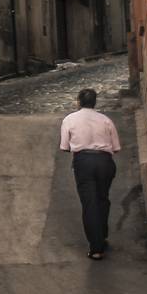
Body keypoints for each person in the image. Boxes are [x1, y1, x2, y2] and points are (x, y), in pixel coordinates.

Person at [59, 88, 121, 260]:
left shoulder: (70, 119)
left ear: (78, 101)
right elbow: (116, 147)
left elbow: (64, 147)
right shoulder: (106, 120)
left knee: (90, 203)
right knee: (102, 199)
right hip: (105, 162)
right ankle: (102, 235)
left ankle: (96, 247)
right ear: (95, 102)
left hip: (84, 162)